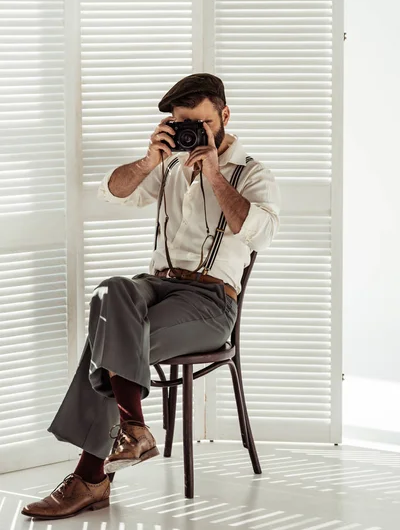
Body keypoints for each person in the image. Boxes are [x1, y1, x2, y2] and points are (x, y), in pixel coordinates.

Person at [21, 73, 281, 520]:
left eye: (203, 123)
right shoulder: (168, 165)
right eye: (185, 124)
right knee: (112, 290)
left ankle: (91, 476)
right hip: (155, 285)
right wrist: (147, 161)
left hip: (209, 303)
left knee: (110, 337)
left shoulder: (251, 172)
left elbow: (260, 232)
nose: (195, 134)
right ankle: (134, 430)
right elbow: (112, 193)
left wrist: (215, 175)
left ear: (224, 115)